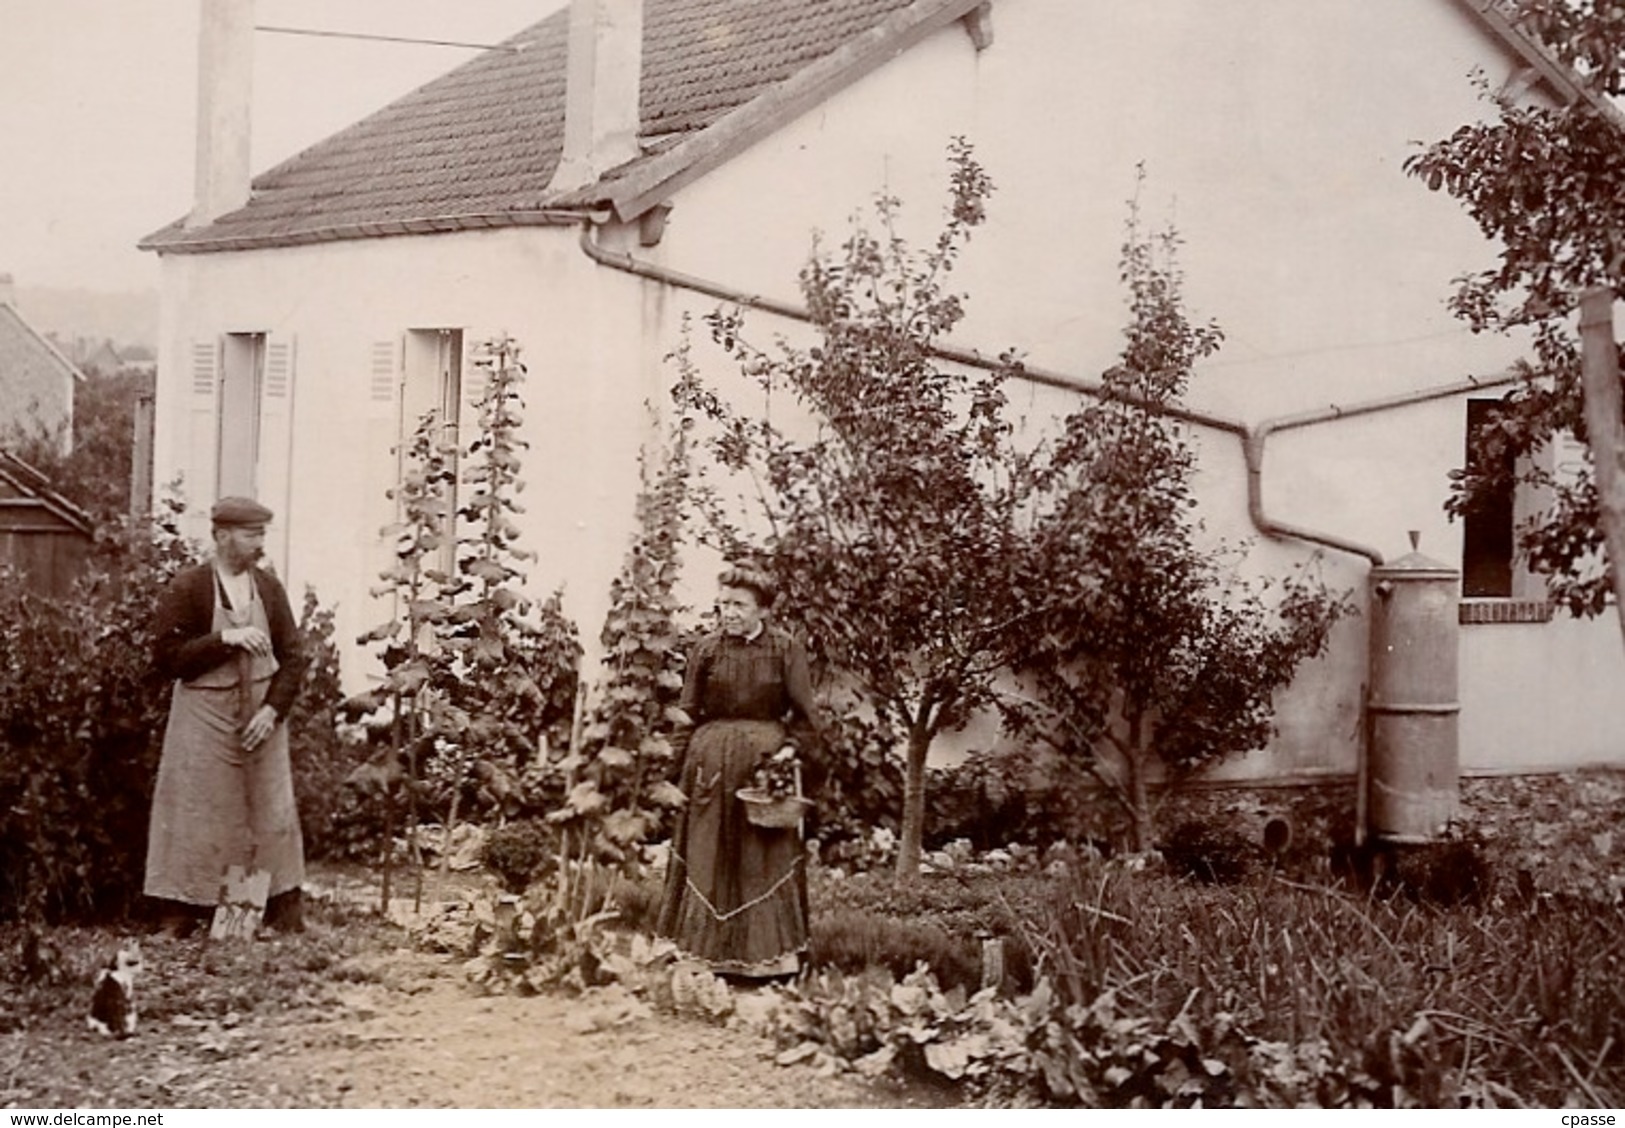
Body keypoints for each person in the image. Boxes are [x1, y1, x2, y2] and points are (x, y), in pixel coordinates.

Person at [144, 497, 307, 936]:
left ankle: (275, 912)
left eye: (261, 535)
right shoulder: (189, 587)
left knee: (271, 811)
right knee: (193, 811)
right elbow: (168, 658)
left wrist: (273, 711)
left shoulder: (269, 589)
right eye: (251, 535)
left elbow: (294, 657)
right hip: (203, 716)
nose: (259, 544)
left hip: (260, 716)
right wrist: (226, 638)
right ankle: (179, 914)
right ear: (221, 536)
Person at [656, 566, 823, 978]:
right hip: (708, 766)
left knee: (758, 857)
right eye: (723, 603)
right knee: (707, 854)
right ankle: (701, 957)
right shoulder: (706, 650)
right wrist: (670, 776)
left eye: (738, 605)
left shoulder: (786, 650)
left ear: (763, 610)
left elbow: (805, 718)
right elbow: (686, 714)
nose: (727, 612)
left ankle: (768, 963)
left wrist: (788, 752)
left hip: (765, 770)